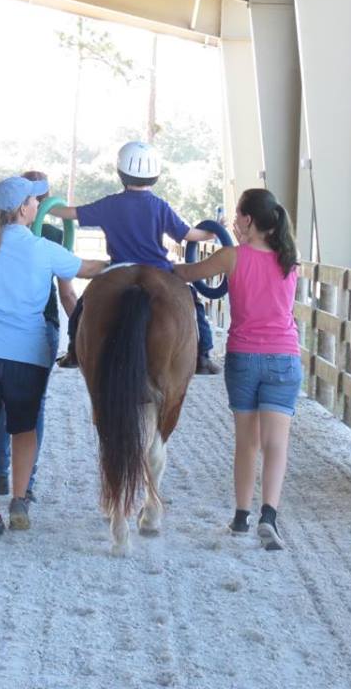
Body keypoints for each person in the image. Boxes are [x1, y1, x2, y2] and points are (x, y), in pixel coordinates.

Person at [0, 175, 107, 537]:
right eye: (34, 201)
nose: (39, 205)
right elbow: (88, 268)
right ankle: (21, 498)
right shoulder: (43, 249)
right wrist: (127, 262)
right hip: (26, 355)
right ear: (24, 208)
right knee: (24, 430)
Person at [172, 188, 301, 551]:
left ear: (246, 219)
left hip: (244, 356)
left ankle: (241, 516)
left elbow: (186, 273)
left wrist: (159, 263)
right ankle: (269, 515)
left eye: (237, 216)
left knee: (247, 441)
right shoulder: (290, 259)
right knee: (277, 444)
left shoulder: (232, 256)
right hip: (284, 357)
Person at [50, 141, 222, 374]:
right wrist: (213, 231)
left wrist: (46, 208)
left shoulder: (109, 204)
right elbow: (188, 234)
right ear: (155, 176)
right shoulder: (160, 206)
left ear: (121, 173)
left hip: (119, 268)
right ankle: (203, 354)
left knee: (84, 303)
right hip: (160, 270)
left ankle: (74, 349)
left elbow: (73, 213)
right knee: (194, 303)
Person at [0, 171, 78, 502]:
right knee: (33, 405)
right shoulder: (52, 236)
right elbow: (67, 291)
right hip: (42, 323)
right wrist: (80, 328)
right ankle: (26, 483)